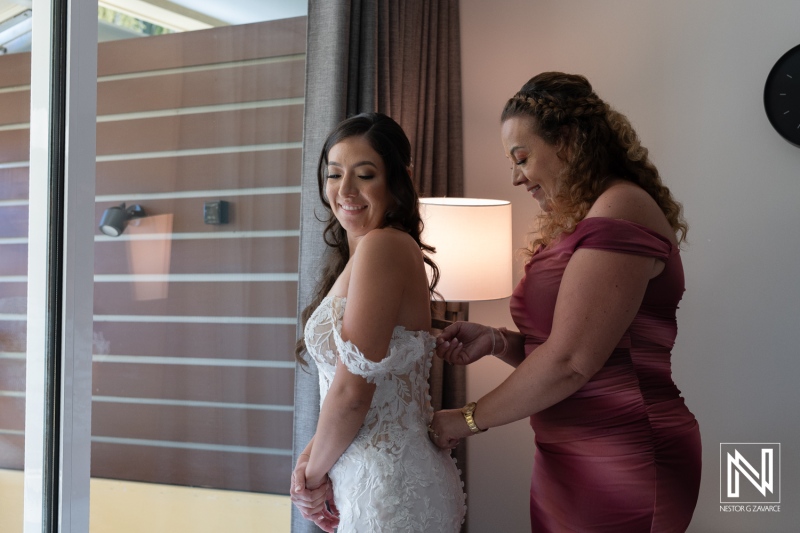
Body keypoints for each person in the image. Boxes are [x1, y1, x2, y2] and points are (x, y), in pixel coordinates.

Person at [430, 72, 701, 532]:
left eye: (522, 158)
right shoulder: (583, 219)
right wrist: (497, 341)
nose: (516, 177)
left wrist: (464, 420)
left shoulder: (621, 208)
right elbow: (563, 348)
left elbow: (573, 360)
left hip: (625, 453)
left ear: (570, 141)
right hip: (568, 454)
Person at [290, 112, 466, 532]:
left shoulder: (383, 247)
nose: (345, 190)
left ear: (396, 181)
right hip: (379, 476)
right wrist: (310, 460)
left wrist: (310, 482)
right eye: (334, 174)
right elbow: (344, 387)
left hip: (388, 488)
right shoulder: (370, 252)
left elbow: (354, 392)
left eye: (364, 174)